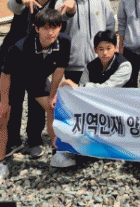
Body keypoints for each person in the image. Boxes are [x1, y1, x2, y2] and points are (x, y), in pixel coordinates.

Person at [0, 9, 69, 189]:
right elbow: (6, 75)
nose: (50, 32)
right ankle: (0, 165)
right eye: (45, 28)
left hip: (35, 76)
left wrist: (53, 94)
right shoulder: (20, 47)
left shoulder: (64, 41)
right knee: (1, 116)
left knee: (54, 107)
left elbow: (59, 69)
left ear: (60, 27)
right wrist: (4, 102)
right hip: (12, 78)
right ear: (37, 28)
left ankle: (58, 152)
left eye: (54, 27)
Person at [0, 0, 70, 160]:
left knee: (39, 106)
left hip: (38, 66)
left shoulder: (56, 5)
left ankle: (35, 140)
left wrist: (71, 5)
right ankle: (13, 140)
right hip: (16, 61)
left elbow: (69, 10)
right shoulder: (25, 0)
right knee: (14, 103)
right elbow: (12, 3)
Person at [50, 29, 132, 168]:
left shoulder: (124, 65)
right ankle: (65, 150)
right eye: (100, 49)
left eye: (108, 48)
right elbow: (81, 94)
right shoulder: (90, 67)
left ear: (116, 48)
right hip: (97, 109)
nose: (104, 53)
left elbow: (108, 88)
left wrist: (79, 87)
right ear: (95, 50)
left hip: (120, 110)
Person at [61, 0, 116, 85]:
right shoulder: (63, 3)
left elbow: (110, 26)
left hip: (99, 61)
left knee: (98, 94)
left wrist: (109, 52)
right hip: (74, 64)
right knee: (75, 94)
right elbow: (59, 31)